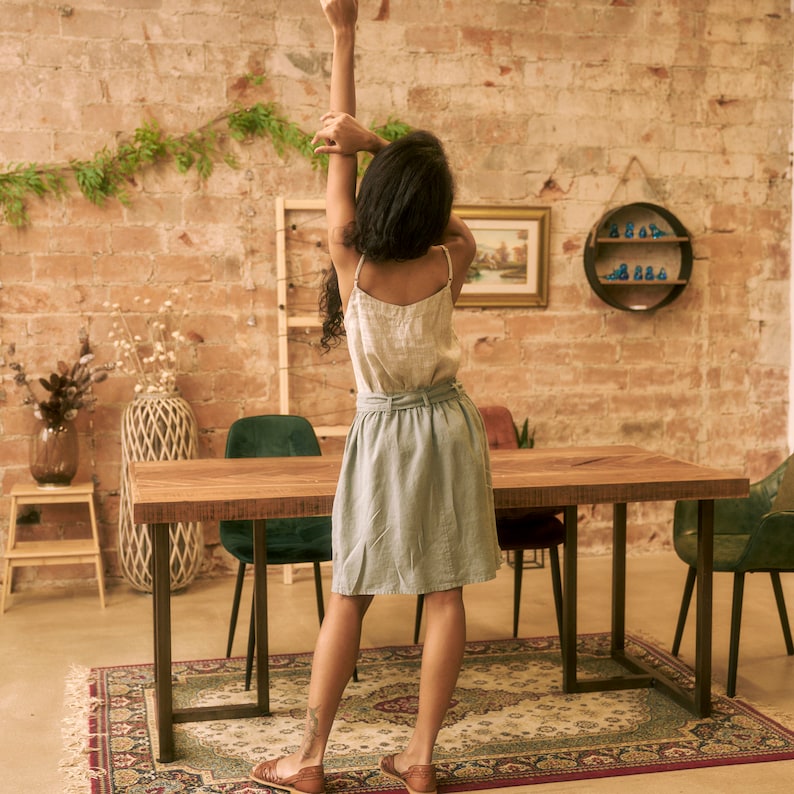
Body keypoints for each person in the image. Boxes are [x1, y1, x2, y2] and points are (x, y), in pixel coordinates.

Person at [250, 2, 501, 792]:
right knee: (444, 591)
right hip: (450, 427)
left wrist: (343, 35)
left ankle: (311, 762)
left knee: (349, 595)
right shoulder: (450, 258)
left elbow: (335, 144)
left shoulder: (349, 257)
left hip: (381, 430)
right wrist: (386, 144)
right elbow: (440, 212)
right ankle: (420, 762)